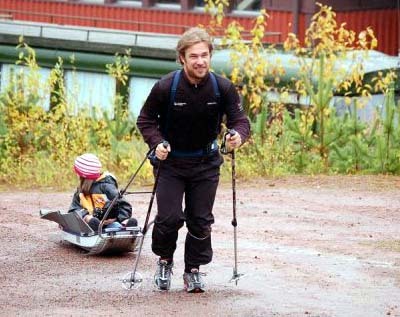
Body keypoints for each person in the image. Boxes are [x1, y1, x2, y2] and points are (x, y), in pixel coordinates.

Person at [136, 27, 250, 293]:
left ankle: (193, 270)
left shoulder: (222, 88)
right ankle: (164, 261)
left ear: (210, 56)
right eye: (194, 56)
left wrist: (237, 136)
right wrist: (156, 143)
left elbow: (239, 121)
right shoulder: (166, 87)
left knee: (200, 220)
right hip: (171, 164)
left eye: (205, 55)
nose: (200, 61)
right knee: (170, 218)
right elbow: (145, 120)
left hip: (206, 163)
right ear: (182, 59)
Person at [69, 153, 138, 232]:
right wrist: (86, 216)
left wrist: (116, 218)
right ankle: (101, 228)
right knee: (91, 223)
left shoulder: (106, 187)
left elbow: (125, 206)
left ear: (82, 176)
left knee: (115, 225)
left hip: (110, 223)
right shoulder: (80, 192)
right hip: (91, 223)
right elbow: (73, 209)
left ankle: (126, 226)